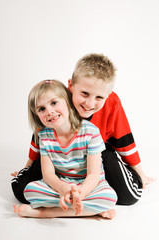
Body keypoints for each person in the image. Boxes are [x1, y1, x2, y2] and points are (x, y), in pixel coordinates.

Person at [11, 53, 154, 206]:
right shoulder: (58, 98)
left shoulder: (112, 102)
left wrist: (140, 172)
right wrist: (28, 165)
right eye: (85, 93)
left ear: (108, 95)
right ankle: (71, 195)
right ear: (70, 86)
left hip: (97, 156)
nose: (90, 103)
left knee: (128, 198)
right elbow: (41, 132)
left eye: (99, 97)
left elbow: (123, 138)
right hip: (59, 157)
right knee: (21, 191)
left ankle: (88, 192)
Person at [14, 79, 117, 218]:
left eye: (54, 103)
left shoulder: (90, 132)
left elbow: (94, 175)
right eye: (42, 109)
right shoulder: (44, 136)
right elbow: (48, 175)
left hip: (89, 184)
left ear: (67, 102)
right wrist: (63, 188)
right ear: (37, 115)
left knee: (109, 197)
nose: (49, 111)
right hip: (62, 183)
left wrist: (79, 194)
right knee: (30, 191)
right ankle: (93, 211)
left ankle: (45, 213)